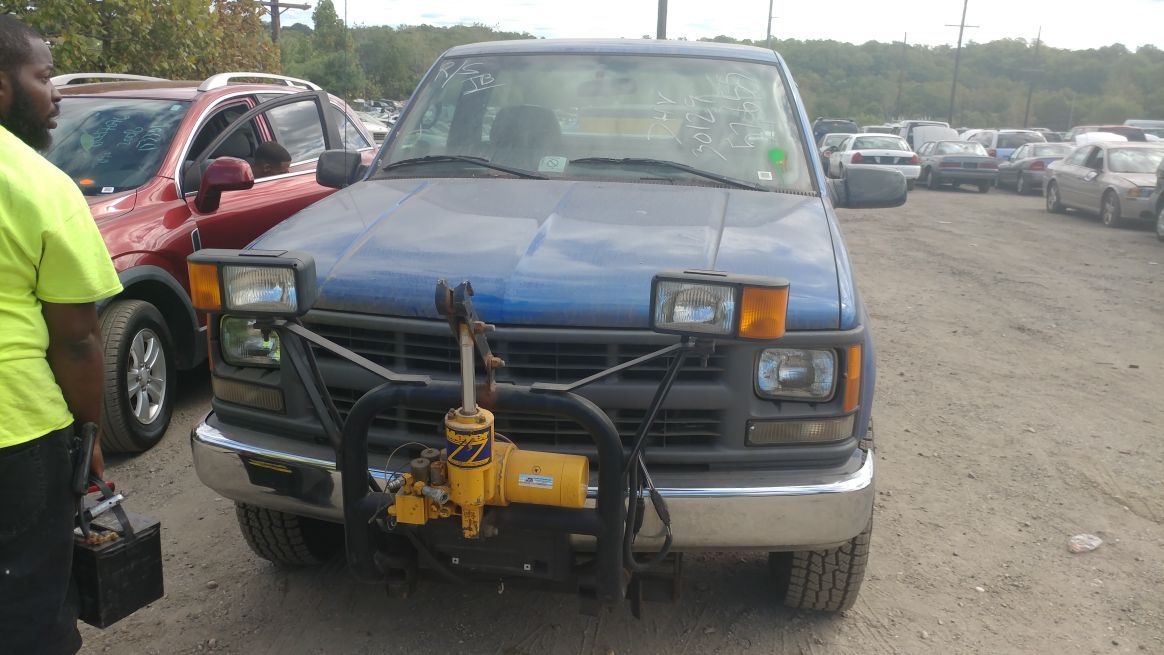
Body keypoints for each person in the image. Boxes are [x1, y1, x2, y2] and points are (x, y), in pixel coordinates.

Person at [0, 15, 123, 655]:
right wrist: (90, 435)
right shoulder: (38, 184)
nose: (57, 95)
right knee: (28, 614)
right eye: (44, 77)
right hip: (16, 436)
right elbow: (75, 340)